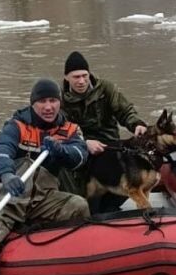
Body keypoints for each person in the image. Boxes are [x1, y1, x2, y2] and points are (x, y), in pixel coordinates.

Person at [0, 78, 91, 275]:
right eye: (42, 101)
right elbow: (2, 148)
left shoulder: (71, 130)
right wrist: (6, 174)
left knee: (78, 206)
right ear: (33, 104)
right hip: (6, 198)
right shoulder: (16, 126)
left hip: (43, 199)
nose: (48, 106)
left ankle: (72, 269)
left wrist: (61, 151)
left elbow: (80, 157)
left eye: (53, 100)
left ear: (60, 102)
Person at [59, 51, 147, 208]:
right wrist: (84, 143)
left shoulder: (106, 88)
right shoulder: (60, 100)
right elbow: (61, 130)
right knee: (67, 168)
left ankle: (111, 204)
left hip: (110, 143)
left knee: (134, 164)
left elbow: (125, 111)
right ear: (66, 78)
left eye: (84, 75)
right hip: (80, 145)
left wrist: (136, 124)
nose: (81, 81)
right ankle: (86, 205)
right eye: (76, 77)